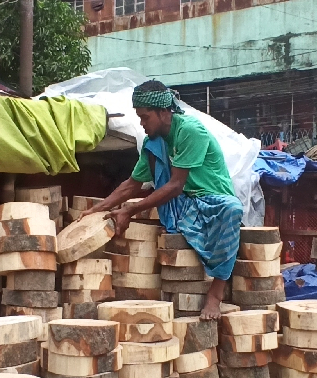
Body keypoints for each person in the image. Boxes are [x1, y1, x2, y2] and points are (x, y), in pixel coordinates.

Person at [79, 80, 244, 320]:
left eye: (145, 118)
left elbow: (176, 185)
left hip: (212, 200)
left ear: (164, 113)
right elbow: (133, 184)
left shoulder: (189, 131)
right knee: (153, 152)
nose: (142, 124)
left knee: (233, 209)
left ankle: (215, 294)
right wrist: (98, 209)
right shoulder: (153, 142)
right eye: (140, 118)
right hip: (183, 204)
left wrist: (130, 210)